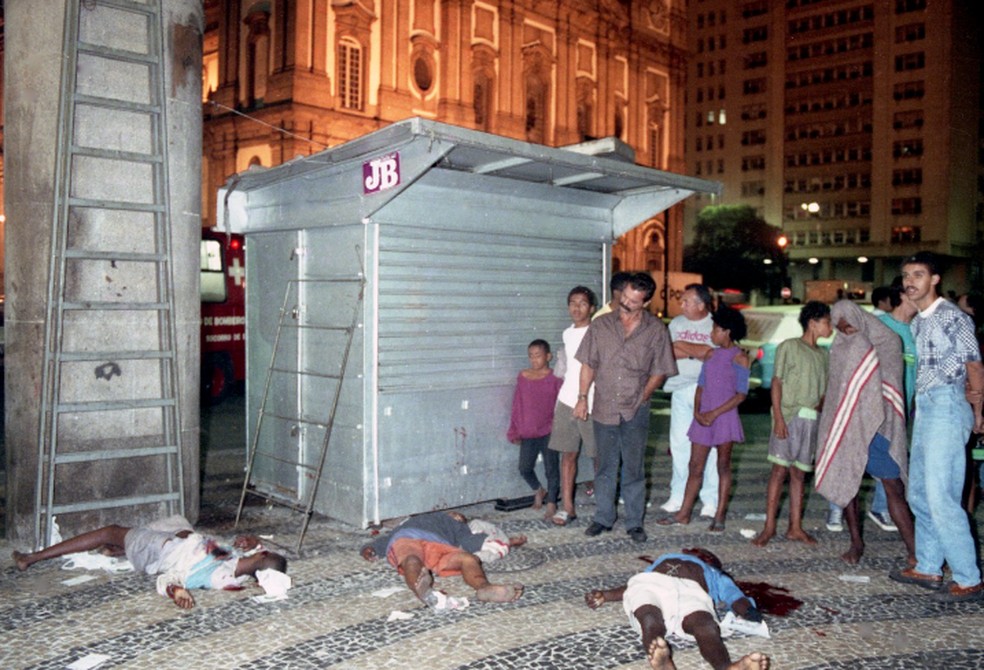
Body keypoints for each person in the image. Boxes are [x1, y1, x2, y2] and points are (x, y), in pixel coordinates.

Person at [889, 252, 984, 602]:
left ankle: (968, 577)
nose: (910, 281)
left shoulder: (952, 316)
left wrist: (978, 412)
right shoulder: (918, 321)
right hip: (927, 408)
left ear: (935, 279)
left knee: (942, 496)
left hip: (947, 405)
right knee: (919, 493)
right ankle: (928, 565)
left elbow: (974, 364)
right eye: (906, 275)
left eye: (918, 274)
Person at [575, 271, 677, 543]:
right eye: (625, 297)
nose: (626, 304)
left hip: (636, 410)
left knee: (634, 468)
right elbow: (588, 364)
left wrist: (642, 397)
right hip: (604, 407)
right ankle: (603, 518)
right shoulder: (601, 325)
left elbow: (660, 371)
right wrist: (582, 397)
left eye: (633, 301)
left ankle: (634, 522)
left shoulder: (656, 330)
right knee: (604, 467)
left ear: (646, 302)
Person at [813, 300, 916, 567]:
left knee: (893, 486)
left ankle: (915, 551)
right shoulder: (841, 345)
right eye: (839, 326)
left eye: (848, 324)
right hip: (849, 426)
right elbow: (838, 388)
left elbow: (890, 382)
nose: (845, 330)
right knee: (849, 486)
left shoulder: (887, 340)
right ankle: (856, 543)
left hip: (879, 427)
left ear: (859, 318)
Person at [12, 520, 288, 609]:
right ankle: (120, 550)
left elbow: (171, 578)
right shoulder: (238, 567)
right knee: (179, 526)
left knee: (111, 530)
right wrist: (254, 541)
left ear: (261, 558)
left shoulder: (216, 575)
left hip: (158, 549)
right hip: (173, 541)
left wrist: (175, 591)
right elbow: (261, 557)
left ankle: (31, 558)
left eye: (261, 551)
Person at [584, 547, 769, 670]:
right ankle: (663, 663)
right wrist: (605, 595)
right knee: (649, 617)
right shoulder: (662, 561)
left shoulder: (715, 573)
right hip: (653, 583)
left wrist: (747, 610)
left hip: (692, 590)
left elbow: (732, 594)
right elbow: (635, 584)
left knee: (705, 625)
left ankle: (726, 667)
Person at [659, 306, 749, 531]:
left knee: (723, 466)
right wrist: (698, 412)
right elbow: (701, 385)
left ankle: (719, 514)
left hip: (724, 417)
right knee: (695, 465)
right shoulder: (711, 355)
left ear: (727, 332)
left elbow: (741, 394)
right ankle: (684, 513)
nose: (711, 334)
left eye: (715, 330)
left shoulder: (740, 358)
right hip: (703, 417)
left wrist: (714, 413)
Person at [752, 301, 832, 548]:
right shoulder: (790, 346)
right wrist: (778, 418)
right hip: (789, 416)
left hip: (811, 420)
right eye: (826, 322)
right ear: (813, 323)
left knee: (799, 474)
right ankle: (769, 527)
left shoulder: (824, 354)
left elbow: (824, 390)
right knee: (779, 472)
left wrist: (821, 405)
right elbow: (777, 382)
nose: (830, 327)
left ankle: (795, 527)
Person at [360, 511, 525, 607]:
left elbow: (471, 541)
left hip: (440, 548)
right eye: (456, 515)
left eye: (461, 518)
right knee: (411, 560)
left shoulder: (459, 528)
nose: (457, 516)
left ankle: (484, 587)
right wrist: (371, 548)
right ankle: (424, 592)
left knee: (468, 559)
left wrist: (505, 543)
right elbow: (388, 537)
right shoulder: (418, 520)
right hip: (408, 538)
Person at [660, 284, 719, 518]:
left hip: (706, 391)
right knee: (679, 444)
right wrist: (698, 352)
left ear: (701, 305)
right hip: (679, 388)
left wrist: (685, 349)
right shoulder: (676, 324)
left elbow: (713, 354)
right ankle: (678, 495)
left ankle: (710, 500)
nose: (681, 304)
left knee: (709, 448)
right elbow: (669, 351)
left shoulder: (715, 324)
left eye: (686, 301)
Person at [866, 282, 919, 531]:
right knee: (887, 468)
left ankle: (881, 508)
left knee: (892, 464)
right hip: (878, 410)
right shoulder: (880, 325)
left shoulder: (917, 330)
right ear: (901, 296)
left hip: (902, 411)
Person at [548, 286, 599, 525]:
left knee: (599, 455)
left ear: (592, 308)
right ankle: (567, 507)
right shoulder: (567, 333)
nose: (577, 308)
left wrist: (585, 398)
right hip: (567, 400)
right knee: (568, 455)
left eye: (582, 303)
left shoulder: (597, 332)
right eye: (572, 303)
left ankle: (605, 506)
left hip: (591, 401)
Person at [507, 338, 563, 519]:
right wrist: (514, 430)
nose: (534, 359)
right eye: (530, 356)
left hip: (549, 430)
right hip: (528, 431)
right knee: (524, 468)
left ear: (548, 356)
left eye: (538, 355)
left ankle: (552, 502)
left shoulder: (555, 378)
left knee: (551, 468)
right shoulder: (523, 376)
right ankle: (538, 490)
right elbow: (517, 405)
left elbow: (560, 405)